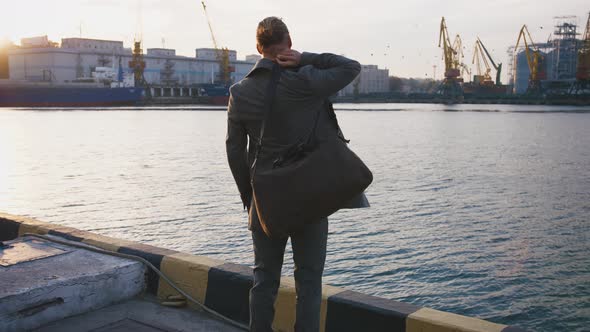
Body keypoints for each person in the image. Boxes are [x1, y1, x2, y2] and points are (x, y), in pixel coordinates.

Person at [225, 16, 360, 332]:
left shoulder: (239, 92)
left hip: (266, 198)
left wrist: (250, 198)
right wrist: (306, 59)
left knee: (264, 278)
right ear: (288, 42)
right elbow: (351, 67)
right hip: (310, 197)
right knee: (309, 280)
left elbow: (234, 152)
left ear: (258, 48)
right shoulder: (307, 80)